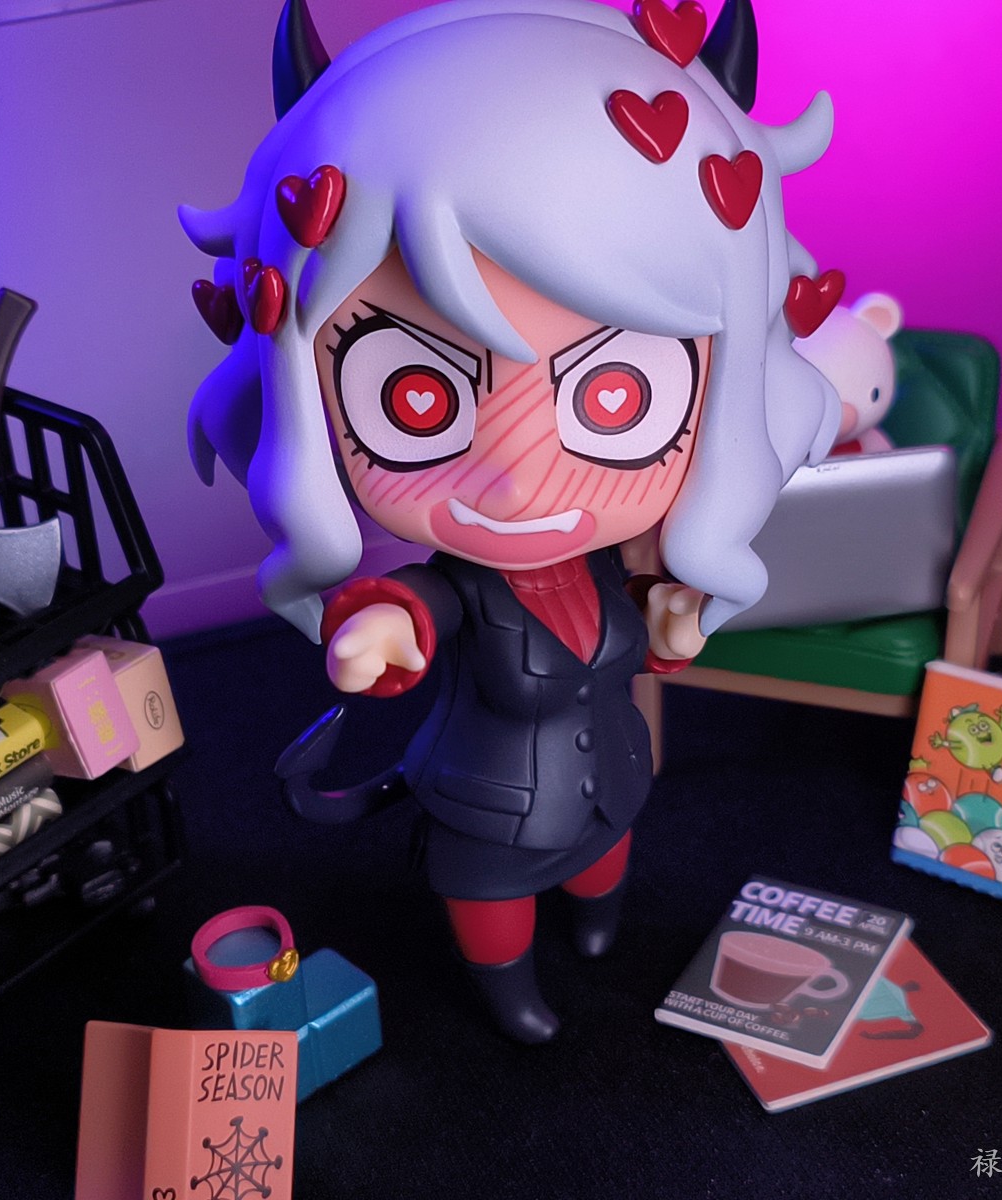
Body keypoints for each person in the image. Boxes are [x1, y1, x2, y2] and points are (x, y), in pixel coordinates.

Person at [182, 0, 841, 1041]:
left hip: (611, 778)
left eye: (616, 396)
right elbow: (419, 608)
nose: (513, 480)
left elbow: (637, 629)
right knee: (491, 897)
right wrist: (379, 627)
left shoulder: (622, 559)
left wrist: (668, 624)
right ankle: (510, 991)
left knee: (602, 867)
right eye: (416, 397)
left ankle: (598, 921)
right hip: (487, 803)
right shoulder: (463, 580)